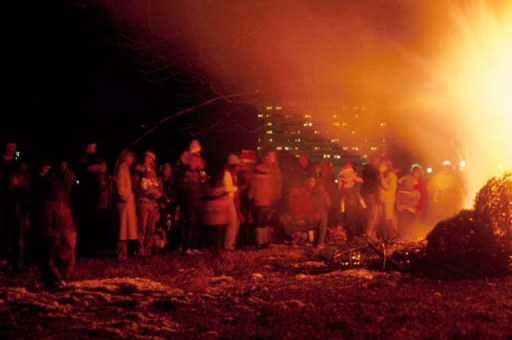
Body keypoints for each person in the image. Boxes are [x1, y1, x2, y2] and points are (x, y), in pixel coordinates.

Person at [249, 150, 281, 248]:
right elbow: (255, 182)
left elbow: (278, 182)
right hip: (261, 197)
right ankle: (260, 242)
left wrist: (276, 194)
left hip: (269, 198)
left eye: (274, 156)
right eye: (271, 156)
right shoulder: (260, 168)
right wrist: (252, 193)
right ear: (266, 157)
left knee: (267, 220)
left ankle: (265, 241)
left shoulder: (275, 168)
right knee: (260, 219)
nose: (273, 158)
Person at [134, 150, 162, 257]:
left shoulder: (153, 173)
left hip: (152, 204)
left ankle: (148, 250)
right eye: (146, 157)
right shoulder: (139, 171)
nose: (148, 159)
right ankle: (139, 250)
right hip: (143, 203)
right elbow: (137, 187)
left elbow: (157, 186)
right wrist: (146, 191)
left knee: (151, 228)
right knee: (142, 228)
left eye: (150, 158)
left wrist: (157, 193)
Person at [113, 151, 138, 261]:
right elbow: (120, 185)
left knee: (125, 230)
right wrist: (126, 197)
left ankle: (124, 253)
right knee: (122, 230)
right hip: (124, 204)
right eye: (131, 158)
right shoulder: (122, 169)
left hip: (126, 204)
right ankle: (120, 254)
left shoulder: (125, 168)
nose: (132, 160)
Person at [338, 161, 365, 239]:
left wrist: (342, 191)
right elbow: (361, 180)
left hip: (347, 199)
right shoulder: (352, 176)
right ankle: (352, 237)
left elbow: (339, 188)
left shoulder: (341, 177)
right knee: (352, 219)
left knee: (349, 219)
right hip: (352, 199)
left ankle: (351, 236)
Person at [224, 154, 242, 250]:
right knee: (232, 223)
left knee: (236, 222)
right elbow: (227, 188)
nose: (239, 168)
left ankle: (232, 243)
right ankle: (228, 245)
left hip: (233, 200)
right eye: (238, 166)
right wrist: (236, 189)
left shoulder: (234, 175)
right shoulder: (226, 174)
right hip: (228, 200)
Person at [377, 159, 398, 240]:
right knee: (382, 221)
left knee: (388, 221)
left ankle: (392, 238)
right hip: (381, 201)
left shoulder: (392, 176)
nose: (380, 168)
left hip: (388, 202)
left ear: (386, 167)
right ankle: (384, 238)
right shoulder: (383, 175)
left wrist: (381, 178)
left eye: (381, 166)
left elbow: (389, 188)